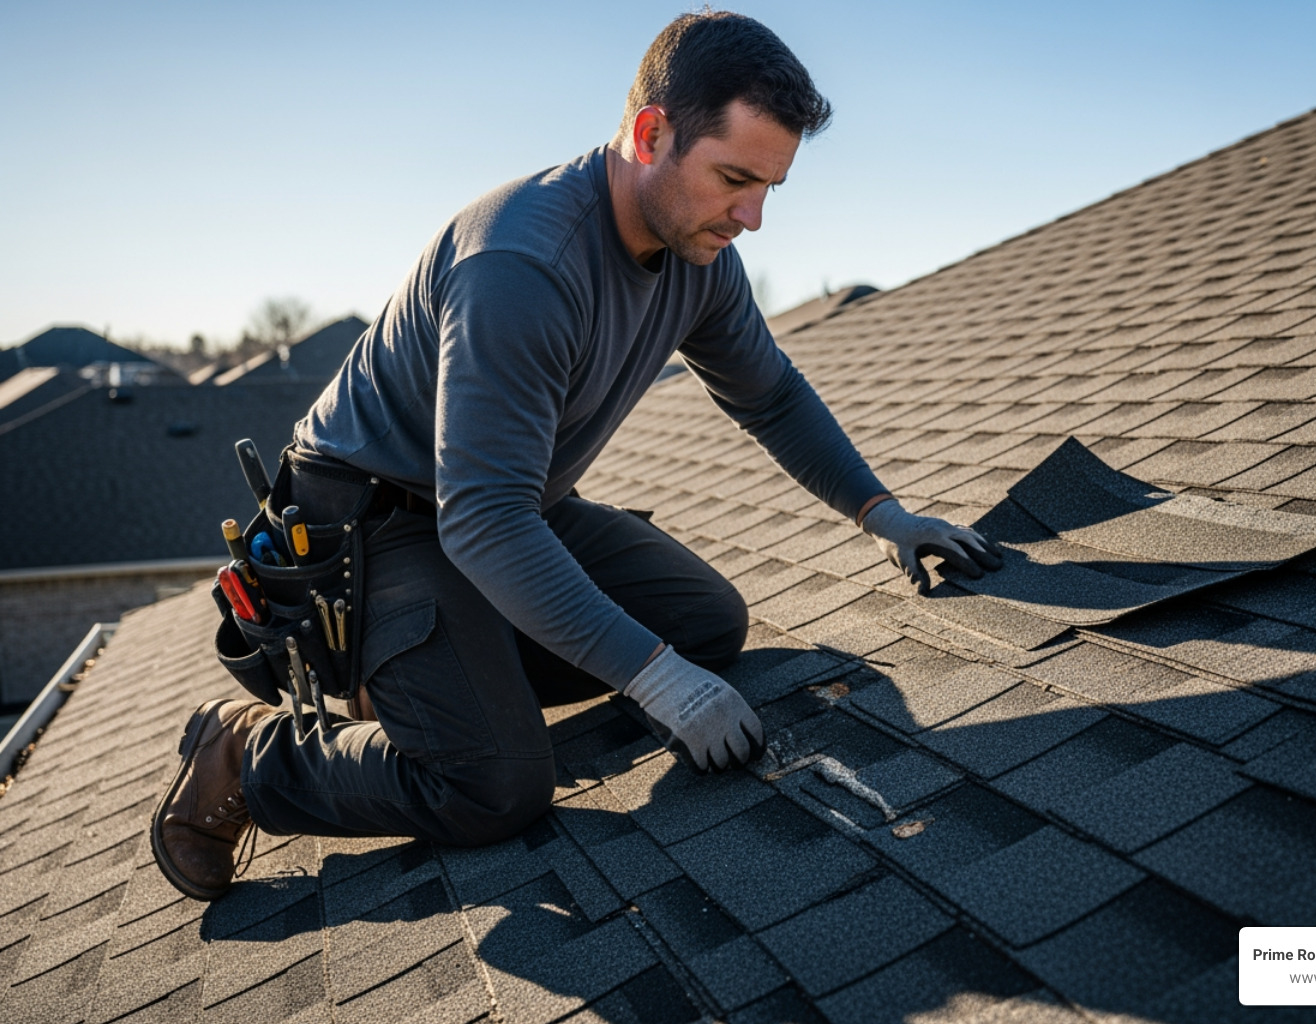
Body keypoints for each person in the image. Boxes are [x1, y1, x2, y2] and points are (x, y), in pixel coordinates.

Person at [150, 10, 1003, 901]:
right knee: (494, 786)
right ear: (650, 134)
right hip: (377, 526)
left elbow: (771, 394)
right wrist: (651, 678)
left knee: (707, 628)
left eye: (770, 190)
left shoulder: (699, 255)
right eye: (734, 179)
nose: (751, 217)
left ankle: (438, 683)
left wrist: (881, 512)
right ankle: (249, 755)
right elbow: (478, 519)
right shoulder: (521, 261)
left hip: (500, 506)